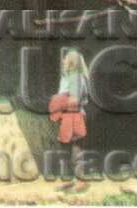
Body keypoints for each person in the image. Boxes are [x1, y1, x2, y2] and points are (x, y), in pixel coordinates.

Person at [48, 48, 90, 191]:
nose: (63, 61)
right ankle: (70, 179)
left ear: (71, 62)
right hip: (68, 115)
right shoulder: (69, 76)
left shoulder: (75, 77)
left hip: (74, 115)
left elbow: (74, 100)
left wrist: (56, 102)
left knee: (75, 148)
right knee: (66, 147)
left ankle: (81, 180)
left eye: (65, 58)